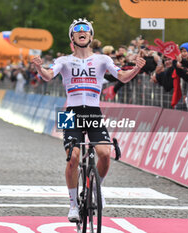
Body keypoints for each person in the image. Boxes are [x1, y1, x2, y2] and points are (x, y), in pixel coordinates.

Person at [32, 18, 146, 222]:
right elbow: (49, 76)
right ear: (72, 37)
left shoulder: (102, 60)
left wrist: (136, 69)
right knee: (73, 158)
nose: (82, 31)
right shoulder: (64, 61)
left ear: (91, 36)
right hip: (70, 113)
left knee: (104, 154)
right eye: (77, 30)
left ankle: (96, 188)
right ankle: (73, 205)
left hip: (93, 111)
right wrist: (40, 69)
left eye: (86, 30)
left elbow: (122, 76)